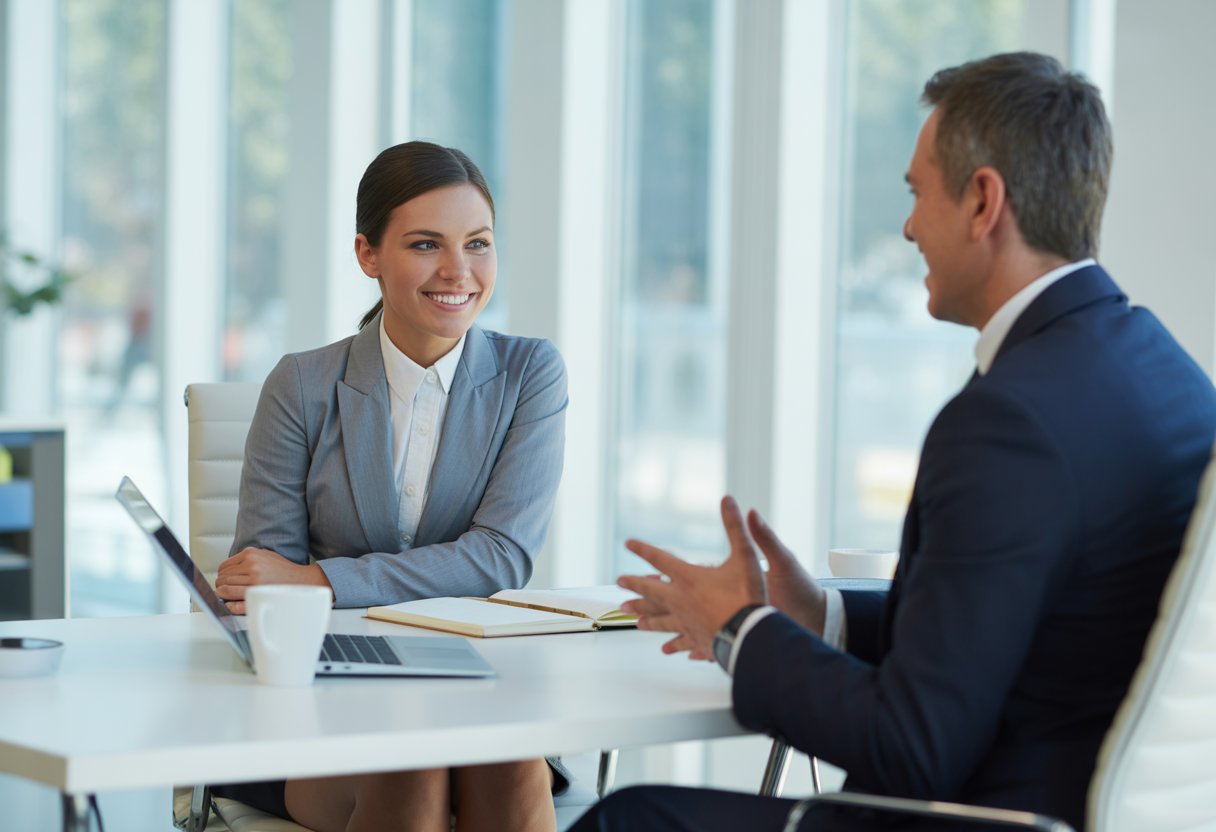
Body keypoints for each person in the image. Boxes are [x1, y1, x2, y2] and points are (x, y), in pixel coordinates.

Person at [572, 51, 1216, 832]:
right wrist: (822, 616)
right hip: (1078, 803)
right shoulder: (1167, 373)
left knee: (629, 818)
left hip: (987, 817)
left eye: (918, 194)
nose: (909, 226)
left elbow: (911, 747)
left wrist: (740, 631)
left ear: (983, 202)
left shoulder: (1008, 422)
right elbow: (1015, 620)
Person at [211, 141, 566, 832]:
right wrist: (297, 586)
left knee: (511, 754)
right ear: (368, 255)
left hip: (471, 681)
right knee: (415, 762)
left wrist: (320, 580)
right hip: (323, 695)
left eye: (479, 244)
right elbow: (265, 585)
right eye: (426, 244)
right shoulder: (303, 384)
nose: (458, 271)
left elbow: (500, 556)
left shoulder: (530, 375)